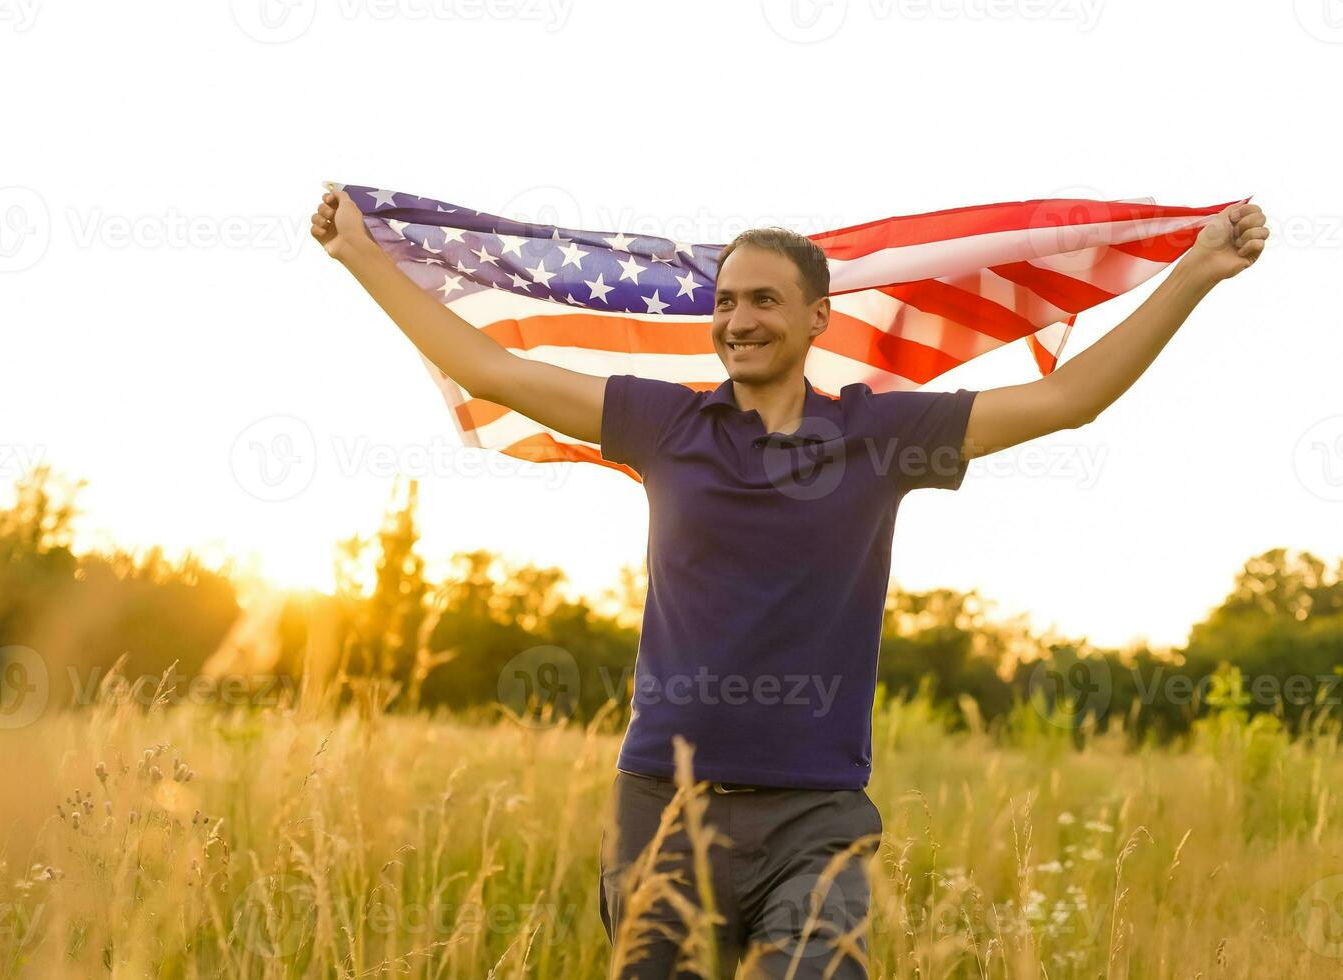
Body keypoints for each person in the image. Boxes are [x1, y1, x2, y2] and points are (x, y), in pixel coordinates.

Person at [309, 187, 1268, 978]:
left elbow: (1069, 400)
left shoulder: (881, 437)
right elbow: (489, 366)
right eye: (727, 301)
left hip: (816, 818)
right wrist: (362, 258)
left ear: (818, 318)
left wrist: (1195, 273)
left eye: (763, 301)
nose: (738, 320)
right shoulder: (665, 426)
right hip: (664, 814)